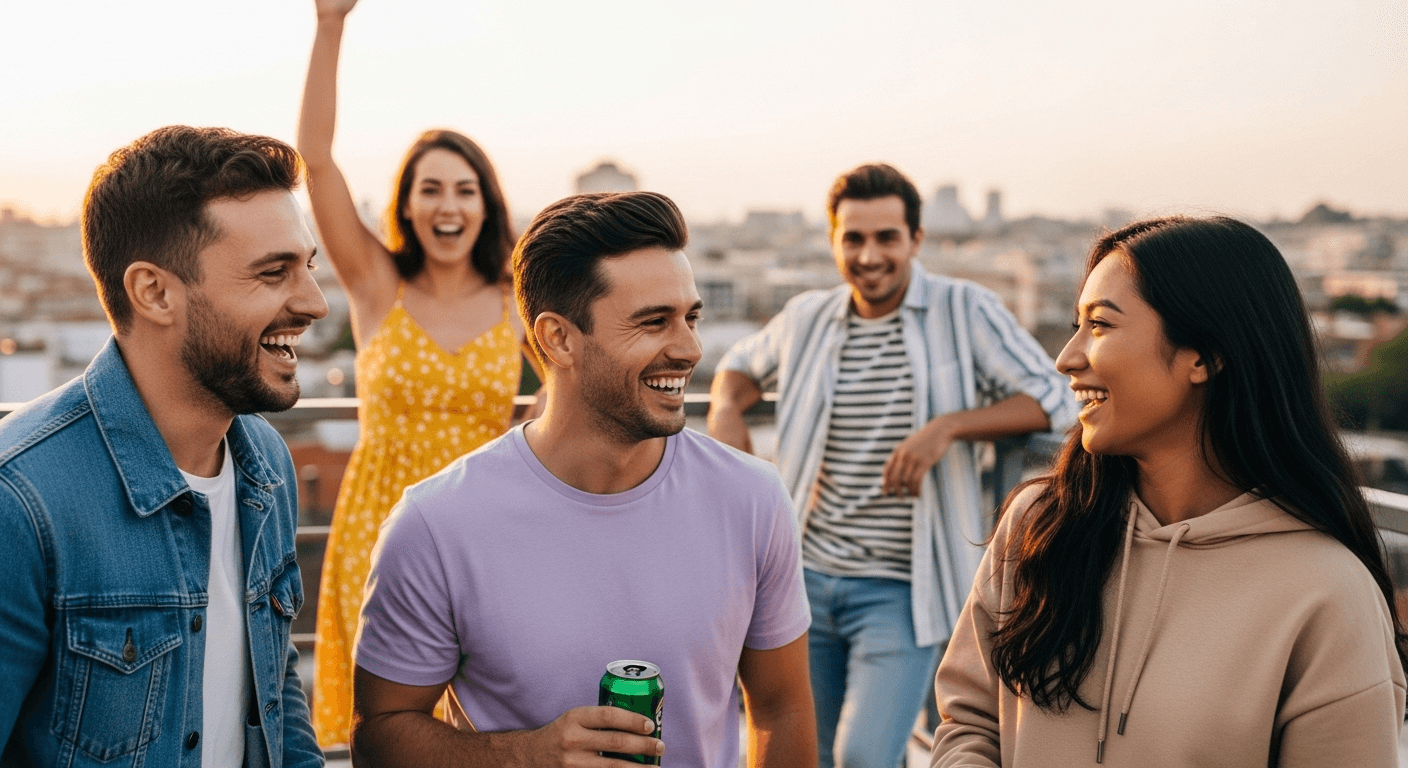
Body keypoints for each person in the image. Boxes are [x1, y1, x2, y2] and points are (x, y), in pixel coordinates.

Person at [350, 191, 817, 768]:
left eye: (690, 317)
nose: (690, 349)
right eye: (653, 323)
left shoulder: (753, 498)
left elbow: (781, 707)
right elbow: (379, 736)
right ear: (558, 339)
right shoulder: (435, 524)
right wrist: (527, 755)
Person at [932, 216, 1408, 767]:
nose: (1066, 357)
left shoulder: (1329, 596)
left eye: (1101, 326)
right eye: (1075, 325)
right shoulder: (1039, 524)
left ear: (1203, 356)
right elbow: (968, 720)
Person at [709, 163, 1074, 768]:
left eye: (886, 238)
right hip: (805, 576)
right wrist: (724, 408)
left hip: (904, 590)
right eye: (854, 238)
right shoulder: (808, 318)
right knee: (806, 754)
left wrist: (947, 427)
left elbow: (1053, 397)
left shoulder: (964, 309)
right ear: (833, 242)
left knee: (863, 757)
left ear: (915, 241)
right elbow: (739, 366)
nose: (869, 255)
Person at [0, 126, 327, 767]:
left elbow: (272, 676)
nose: (313, 302)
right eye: (273, 272)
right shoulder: (22, 501)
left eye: (308, 266)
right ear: (154, 292)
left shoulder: (268, 467)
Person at [297, 0, 542, 745]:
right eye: (430, 188)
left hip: (486, 534)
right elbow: (315, 158)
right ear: (407, 201)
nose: (448, 205)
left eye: (464, 189)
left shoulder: (515, 300)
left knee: (476, 727)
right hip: (377, 530)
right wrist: (330, 25)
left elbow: (565, 386)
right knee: (385, 732)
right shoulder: (377, 284)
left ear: (486, 204)